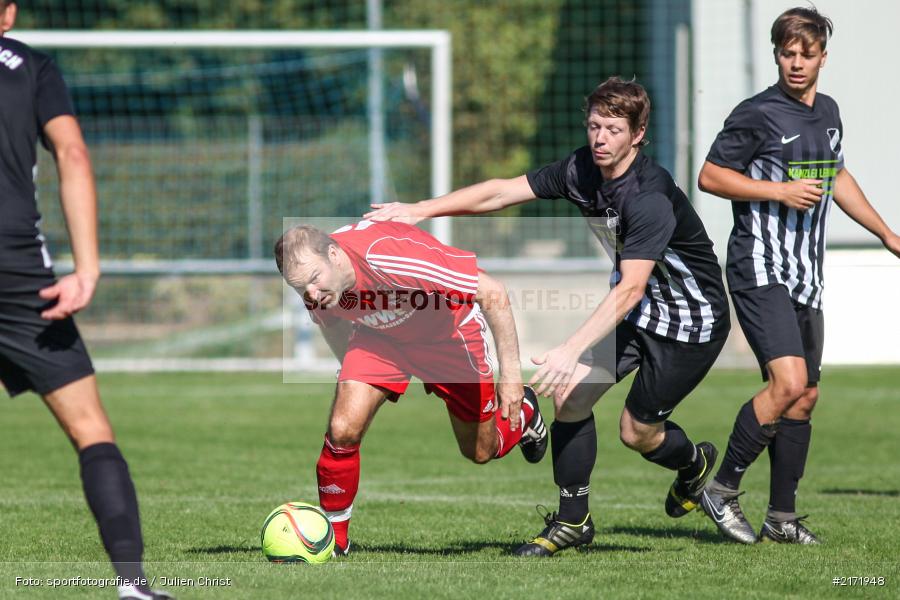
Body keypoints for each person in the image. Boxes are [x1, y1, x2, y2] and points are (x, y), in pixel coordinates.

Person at [365, 77, 731, 556]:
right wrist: (420, 209)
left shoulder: (648, 195)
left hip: (690, 323)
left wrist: (569, 347)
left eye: (614, 129)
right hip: (640, 312)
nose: (600, 138)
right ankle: (572, 521)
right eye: (595, 125)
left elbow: (632, 287)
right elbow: (500, 193)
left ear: (638, 134)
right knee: (571, 398)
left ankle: (694, 466)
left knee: (636, 433)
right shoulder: (581, 167)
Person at [697, 6, 900, 545]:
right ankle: (720, 489)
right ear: (777, 55)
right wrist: (778, 190)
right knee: (785, 382)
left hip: (806, 274)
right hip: (759, 267)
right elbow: (710, 176)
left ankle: (781, 517)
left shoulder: (829, 112)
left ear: (822, 59)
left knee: (804, 396)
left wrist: (886, 233)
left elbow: (836, 174)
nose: (795, 63)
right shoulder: (757, 113)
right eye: (787, 53)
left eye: (805, 54)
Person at [0, 3, 172, 599]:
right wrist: (88, 268)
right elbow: (73, 155)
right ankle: (132, 586)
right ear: (8, 13)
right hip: (20, 275)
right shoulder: (30, 66)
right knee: (91, 430)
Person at [275, 220, 548, 555]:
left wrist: (511, 378)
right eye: (301, 289)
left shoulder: (388, 257)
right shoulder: (318, 288)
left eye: (314, 279)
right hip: (380, 338)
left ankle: (526, 414)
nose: (311, 294)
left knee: (480, 450)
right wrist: (351, 373)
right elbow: (332, 324)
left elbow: (492, 292)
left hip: (447, 336)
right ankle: (333, 542)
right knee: (342, 428)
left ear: (334, 254)